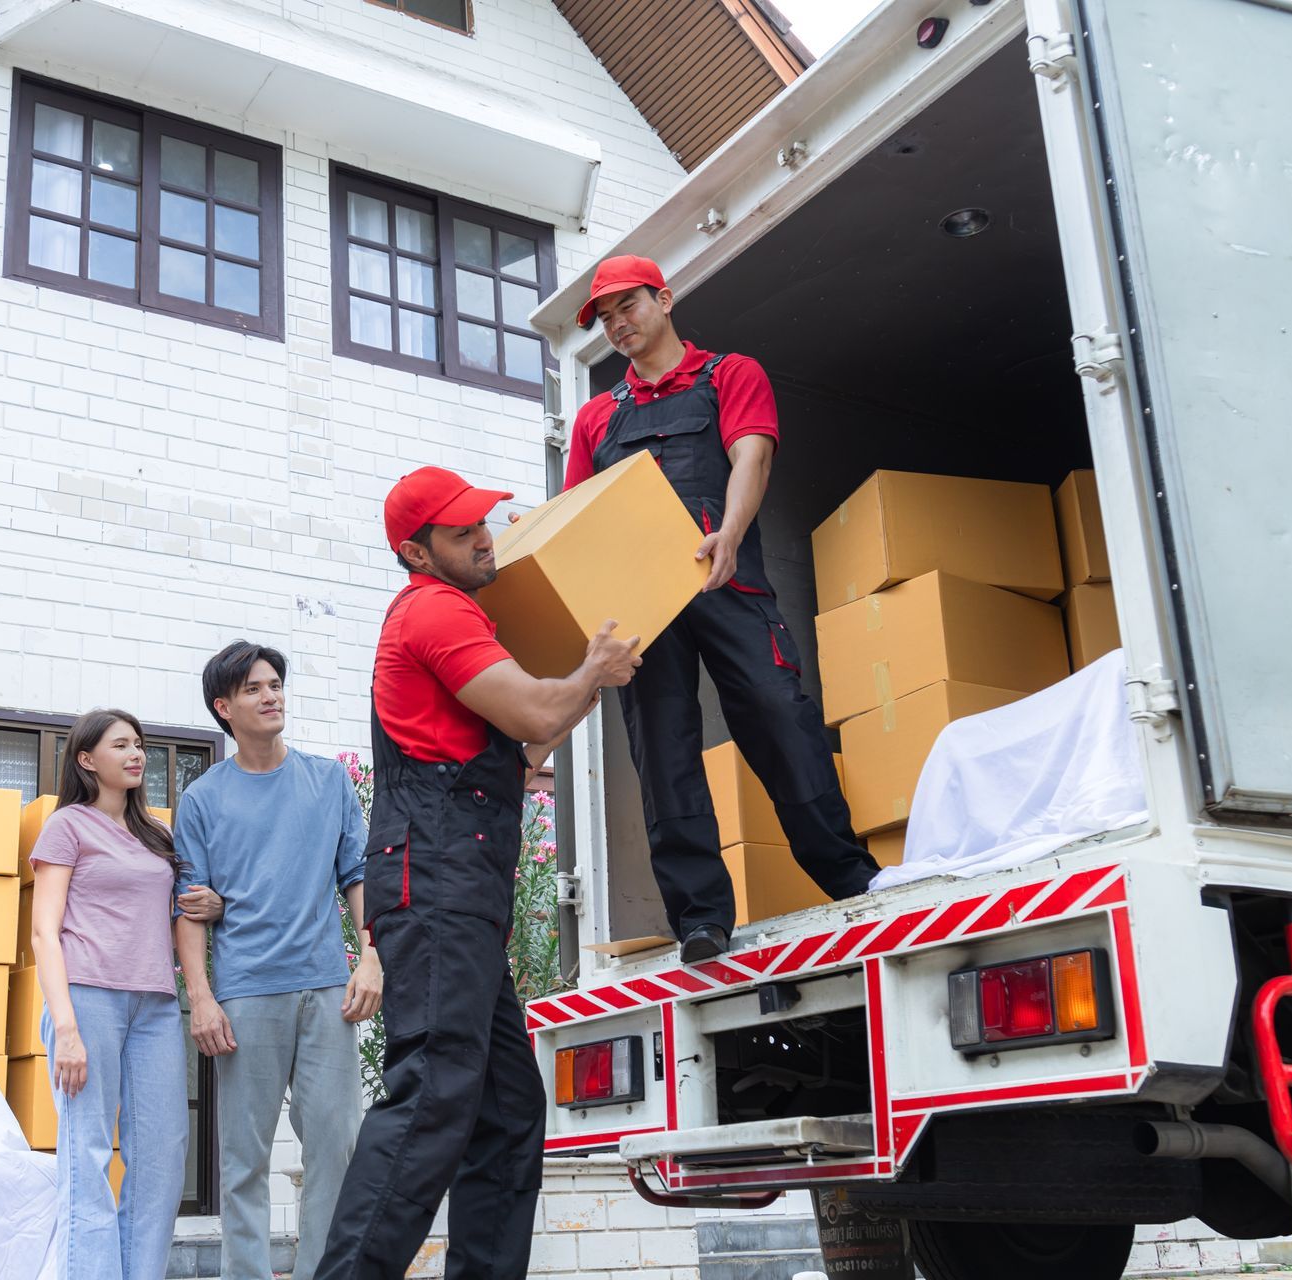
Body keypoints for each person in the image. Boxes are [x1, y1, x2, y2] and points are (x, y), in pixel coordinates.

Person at [316, 466, 642, 1280]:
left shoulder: (457, 612)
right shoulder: (434, 611)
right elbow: (536, 713)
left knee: (503, 1109)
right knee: (433, 1095)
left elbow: (526, 744)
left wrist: (583, 686)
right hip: (437, 887)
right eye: (462, 533)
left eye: (483, 523)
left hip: (459, 890)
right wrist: (586, 676)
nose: (485, 537)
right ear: (416, 552)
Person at [565, 254, 878, 964]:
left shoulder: (730, 374)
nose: (618, 325)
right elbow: (575, 516)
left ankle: (848, 876)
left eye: (628, 308)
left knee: (777, 714)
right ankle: (701, 916)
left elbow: (751, 456)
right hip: (644, 605)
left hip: (725, 581)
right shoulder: (595, 417)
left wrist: (730, 534)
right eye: (606, 319)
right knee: (665, 751)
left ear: (665, 300)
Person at [173, 640, 381, 1280]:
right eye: (254, 689)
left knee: (338, 1148)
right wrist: (202, 997)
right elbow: (188, 906)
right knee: (244, 1160)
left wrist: (370, 959)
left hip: (326, 989)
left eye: (275, 685)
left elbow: (357, 877)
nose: (271, 696)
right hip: (245, 995)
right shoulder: (203, 799)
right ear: (224, 707)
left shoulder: (328, 781)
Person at [28, 708, 219, 1280]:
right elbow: (45, 930)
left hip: (156, 1005)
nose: (136, 754)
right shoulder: (67, 827)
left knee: (162, 1157)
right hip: (86, 1001)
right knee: (87, 1155)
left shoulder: (156, 835)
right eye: (121, 745)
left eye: (138, 743)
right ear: (87, 760)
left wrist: (212, 906)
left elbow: (178, 912)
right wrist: (64, 1028)